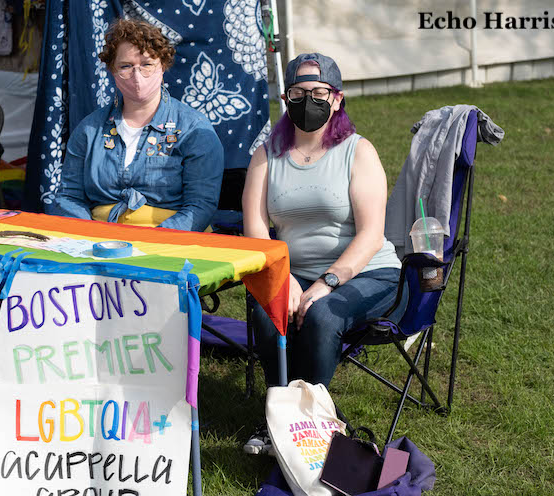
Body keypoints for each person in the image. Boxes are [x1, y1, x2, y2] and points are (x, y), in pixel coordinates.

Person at [241, 53, 408, 455]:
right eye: (298, 93)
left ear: (337, 99)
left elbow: (371, 235)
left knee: (322, 314)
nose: (308, 101)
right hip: (291, 270)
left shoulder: (358, 151)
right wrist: (282, 280)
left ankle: (310, 423)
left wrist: (326, 282)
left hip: (367, 273)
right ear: (285, 98)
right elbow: (256, 230)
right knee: (268, 314)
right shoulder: (267, 155)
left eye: (319, 92)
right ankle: (278, 416)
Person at [47, 19, 224, 232]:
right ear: (112, 70)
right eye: (126, 66)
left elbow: (200, 205)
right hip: (100, 240)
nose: (137, 77)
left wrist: (154, 243)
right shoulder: (89, 129)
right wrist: (92, 237)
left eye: (147, 65)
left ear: (163, 66)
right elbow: (69, 196)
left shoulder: (194, 129)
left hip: (175, 242)